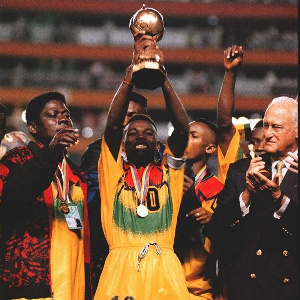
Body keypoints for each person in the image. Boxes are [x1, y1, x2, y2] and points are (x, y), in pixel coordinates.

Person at [93, 31, 190, 299]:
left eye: (148, 133)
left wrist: (163, 80)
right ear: (123, 144)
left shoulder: (171, 172)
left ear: (158, 143)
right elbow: (113, 126)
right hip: (120, 267)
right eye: (132, 133)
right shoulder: (113, 173)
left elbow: (182, 129)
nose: (140, 136)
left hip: (164, 265)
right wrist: (129, 78)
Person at [204, 96, 298, 300]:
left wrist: (279, 200)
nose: (268, 134)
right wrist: (246, 196)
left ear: (297, 131)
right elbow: (216, 231)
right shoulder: (241, 170)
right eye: (266, 126)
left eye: (277, 127)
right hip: (246, 290)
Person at [0, 92, 91, 300]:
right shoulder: (17, 160)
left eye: (66, 114)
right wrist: (51, 151)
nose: (63, 118)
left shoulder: (75, 173)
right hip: (35, 287)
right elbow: (17, 193)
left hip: (73, 284)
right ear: (33, 127)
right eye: (53, 114)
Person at [80, 91, 149, 296]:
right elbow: (95, 199)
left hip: (147, 244)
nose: (132, 122)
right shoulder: (98, 152)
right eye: (128, 115)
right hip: (109, 246)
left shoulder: (158, 154)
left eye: (139, 117)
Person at [174, 118, 224, 299]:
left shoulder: (219, 190)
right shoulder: (162, 180)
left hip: (199, 284)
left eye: (193, 136)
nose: (185, 139)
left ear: (210, 148)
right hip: (163, 278)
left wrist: (212, 219)